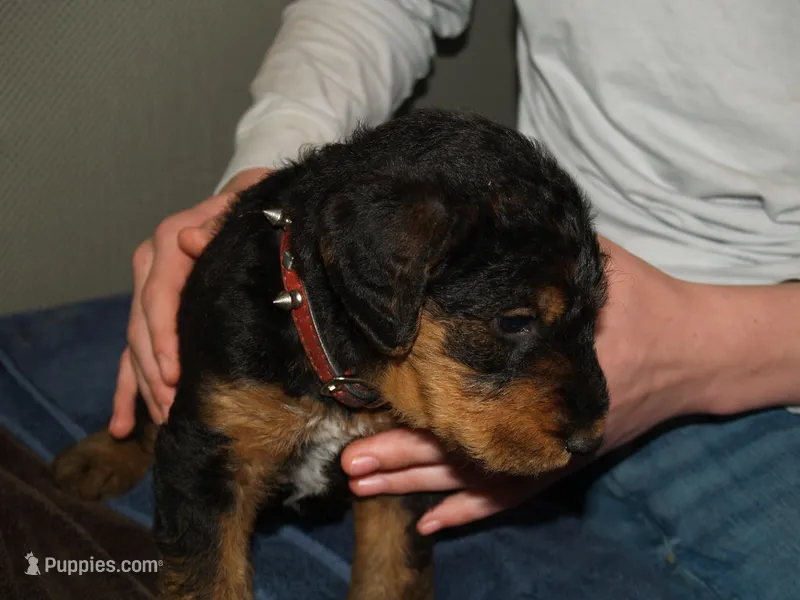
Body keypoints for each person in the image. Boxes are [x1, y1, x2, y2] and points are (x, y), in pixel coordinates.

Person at [5, 1, 798, 598]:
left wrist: (706, 347)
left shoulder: (444, 304)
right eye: (515, 325)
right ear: (389, 284)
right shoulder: (402, 262)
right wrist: (262, 166)